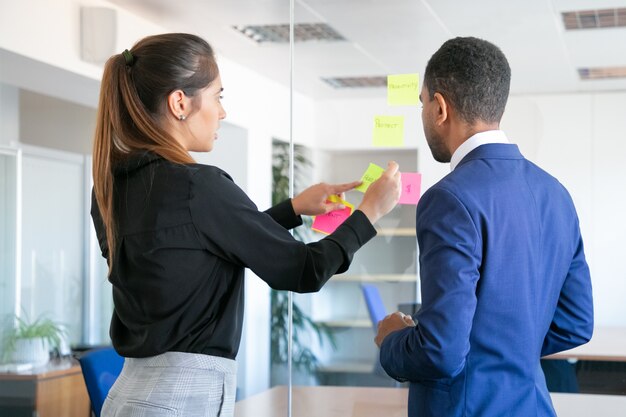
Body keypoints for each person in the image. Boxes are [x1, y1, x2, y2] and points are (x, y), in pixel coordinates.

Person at [91, 33, 401, 417]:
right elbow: (304, 270)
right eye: (218, 95)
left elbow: (196, 255)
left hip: (129, 397)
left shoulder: (109, 188)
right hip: (181, 401)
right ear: (180, 102)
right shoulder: (197, 186)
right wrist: (368, 213)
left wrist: (293, 209)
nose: (222, 112)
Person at [374, 37, 593, 417]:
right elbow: (576, 323)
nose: (424, 113)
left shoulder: (449, 198)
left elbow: (440, 352)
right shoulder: (556, 194)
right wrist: (503, 350)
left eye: (423, 103)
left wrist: (393, 340)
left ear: (440, 107)